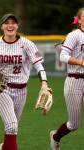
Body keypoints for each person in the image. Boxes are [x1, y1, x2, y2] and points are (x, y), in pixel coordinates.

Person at [0, 13, 50, 150]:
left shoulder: (27, 44)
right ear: (2, 26)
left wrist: (44, 83)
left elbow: (39, 65)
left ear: (17, 25)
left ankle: (4, 147)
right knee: (11, 125)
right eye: (7, 23)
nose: (10, 25)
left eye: (13, 23)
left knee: (12, 128)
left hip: (21, 90)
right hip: (1, 88)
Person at [50, 7, 84, 150]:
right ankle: (55, 137)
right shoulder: (74, 35)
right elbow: (63, 56)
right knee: (74, 125)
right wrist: (81, 62)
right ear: (80, 20)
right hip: (75, 80)